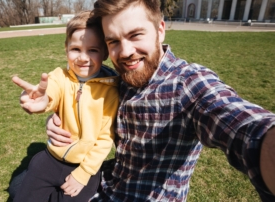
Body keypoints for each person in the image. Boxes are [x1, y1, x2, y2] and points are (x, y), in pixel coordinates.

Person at [43, 0, 275, 201]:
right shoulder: (117, 78)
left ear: (160, 30)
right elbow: (77, 87)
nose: (125, 52)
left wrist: (266, 141)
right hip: (104, 185)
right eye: (113, 41)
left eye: (135, 35)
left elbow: (239, 122)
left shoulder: (187, 84)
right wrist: (57, 116)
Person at [11, 10, 119, 202]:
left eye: (92, 50)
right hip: (49, 160)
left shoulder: (110, 91)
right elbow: (50, 91)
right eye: (76, 49)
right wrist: (42, 100)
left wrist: (84, 173)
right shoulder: (59, 76)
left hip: (84, 168)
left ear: (104, 53)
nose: (83, 58)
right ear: (66, 49)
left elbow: (104, 140)